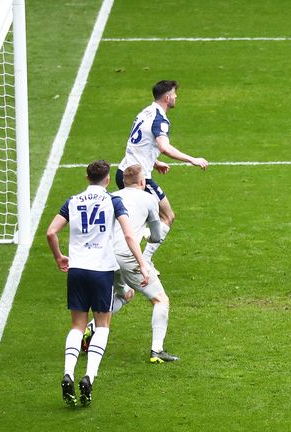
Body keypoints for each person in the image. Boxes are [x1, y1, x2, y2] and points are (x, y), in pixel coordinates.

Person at [46, 160, 149, 407]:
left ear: (86, 177)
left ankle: (68, 372)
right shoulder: (113, 201)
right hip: (101, 271)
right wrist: (142, 264)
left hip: (77, 270)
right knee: (102, 326)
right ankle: (89, 378)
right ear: (107, 179)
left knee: (77, 326)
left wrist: (59, 256)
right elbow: (127, 234)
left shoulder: (72, 201)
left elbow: (51, 232)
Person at [83, 165, 179, 363]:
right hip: (127, 256)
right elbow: (156, 235)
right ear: (143, 183)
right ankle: (157, 351)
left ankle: (90, 328)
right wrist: (146, 236)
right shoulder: (149, 199)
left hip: (105, 255)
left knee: (125, 294)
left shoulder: (111, 197)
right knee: (161, 300)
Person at [117, 80, 209, 269]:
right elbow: (164, 147)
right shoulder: (160, 119)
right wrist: (192, 159)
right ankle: (143, 261)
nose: (176, 97)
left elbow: (138, 143)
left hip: (124, 171)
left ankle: (131, 258)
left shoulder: (145, 112)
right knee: (167, 216)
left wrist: (155, 162)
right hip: (138, 179)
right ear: (167, 98)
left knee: (136, 219)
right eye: (174, 94)